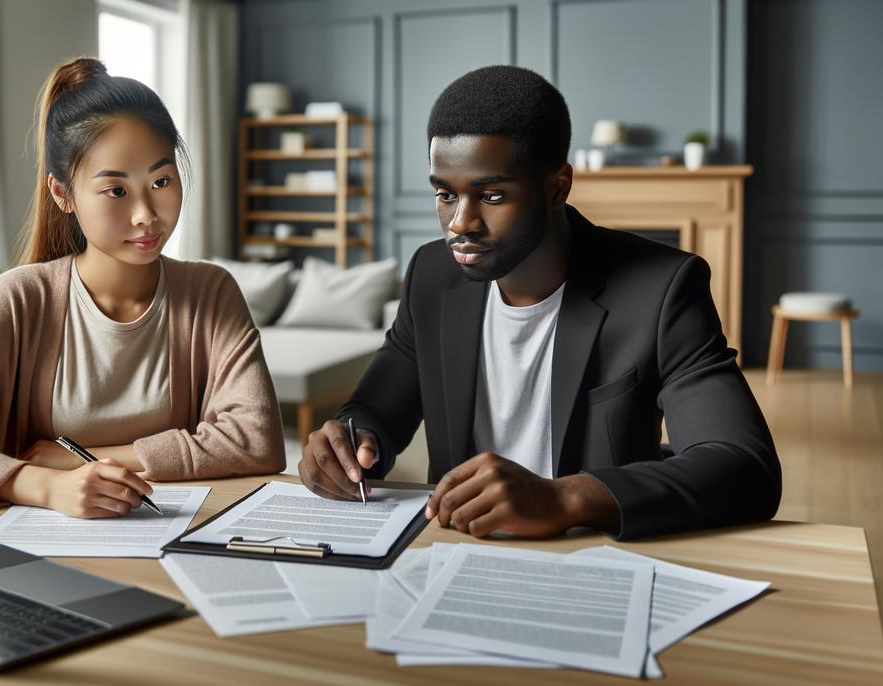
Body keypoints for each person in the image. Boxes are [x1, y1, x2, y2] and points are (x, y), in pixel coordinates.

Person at [298, 65, 780, 540]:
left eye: (489, 195)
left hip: (592, 561)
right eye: (445, 194)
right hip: (450, 550)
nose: (459, 223)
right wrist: (346, 441)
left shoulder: (660, 289)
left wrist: (565, 499)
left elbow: (744, 464)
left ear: (557, 187)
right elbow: (375, 411)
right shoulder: (432, 275)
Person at [0, 58, 285, 517]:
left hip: (169, 539)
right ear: (63, 194)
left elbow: (258, 441)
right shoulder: (20, 300)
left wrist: (88, 459)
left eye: (161, 181)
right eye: (116, 190)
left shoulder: (210, 291)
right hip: (35, 550)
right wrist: (42, 485)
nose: (146, 215)